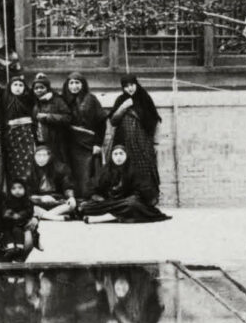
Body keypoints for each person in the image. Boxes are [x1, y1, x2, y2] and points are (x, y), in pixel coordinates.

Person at [108, 74, 163, 205]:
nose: (130, 89)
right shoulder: (121, 99)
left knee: (145, 168)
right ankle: (127, 198)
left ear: (136, 84)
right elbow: (114, 121)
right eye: (126, 86)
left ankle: (149, 198)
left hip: (142, 142)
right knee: (126, 168)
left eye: (132, 85)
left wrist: (155, 142)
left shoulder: (144, 99)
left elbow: (154, 120)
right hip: (124, 141)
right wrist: (123, 107)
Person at [80, 145, 171, 223]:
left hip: (125, 203)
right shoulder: (106, 171)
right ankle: (116, 216)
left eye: (121, 154)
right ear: (111, 156)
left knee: (132, 203)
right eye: (115, 154)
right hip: (111, 203)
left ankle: (110, 216)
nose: (118, 157)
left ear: (126, 155)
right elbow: (93, 188)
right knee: (86, 207)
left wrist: (131, 197)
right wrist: (97, 197)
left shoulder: (133, 171)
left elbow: (144, 192)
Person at [62, 72, 106, 199]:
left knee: (88, 174)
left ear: (83, 84)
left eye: (77, 83)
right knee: (70, 173)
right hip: (69, 143)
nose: (74, 86)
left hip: (88, 143)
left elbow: (101, 122)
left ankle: (87, 201)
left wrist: (98, 143)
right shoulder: (62, 99)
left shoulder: (91, 99)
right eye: (71, 83)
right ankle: (73, 202)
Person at [28, 145, 77, 221]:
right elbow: (28, 194)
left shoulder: (61, 168)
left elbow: (67, 186)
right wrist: (41, 198)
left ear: (50, 156)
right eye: (38, 155)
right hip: (39, 202)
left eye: (44, 155)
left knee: (72, 205)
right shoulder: (30, 171)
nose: (41, 158)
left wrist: (71, 197)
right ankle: (53, 216)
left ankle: (45, 216)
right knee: (27, 206)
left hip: (57, 201)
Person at [32, 73, 71, 166]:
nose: (39, 90)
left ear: (47, 88)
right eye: (36, 88)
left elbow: (67, 117)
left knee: (58, 166)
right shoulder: (36, 103)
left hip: (56, 141)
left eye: (42, 87)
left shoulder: (57, 101)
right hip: (41, 142)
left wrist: (48, 116)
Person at [2, 75, 36, 183]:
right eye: (15, 85)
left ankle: (26, 186)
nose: (18, 87)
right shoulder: (5, 99)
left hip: (26, 134)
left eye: (21, 85)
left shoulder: (29, 98)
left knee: (27, 160)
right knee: (13, 161)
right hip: (11, 135)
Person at [3, 178, 39, 259]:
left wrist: (20, 215)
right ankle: (10, 248)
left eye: (20, 188)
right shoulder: (8, 200)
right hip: (10, 222)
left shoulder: (27, 201)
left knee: (17, 230)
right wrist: (10, 214)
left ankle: (19, 248)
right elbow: (5, 210)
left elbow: (29, 211)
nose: (17, 190)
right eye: (14, 188)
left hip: (22, 223)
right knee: (7, 231)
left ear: (25, 189)